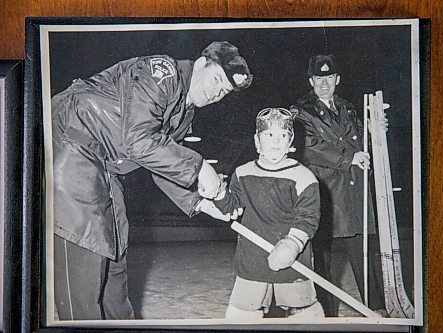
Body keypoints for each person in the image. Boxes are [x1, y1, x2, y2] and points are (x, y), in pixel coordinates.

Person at [51, 41, 253, 320]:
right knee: (88, 243)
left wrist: (200, 203)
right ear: (200, 63)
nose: (217, 91)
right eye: (217, 79)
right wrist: (200, 166)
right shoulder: (162, 73)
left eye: (224, 91)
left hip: (102, 164)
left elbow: (162, 166)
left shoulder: (184, 115)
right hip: (70, 141)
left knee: (116, 249)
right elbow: (139, 141)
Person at [290, 55, 387, 317]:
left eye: (329, 78)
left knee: (364, 255)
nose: (324, 84)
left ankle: (375, 307)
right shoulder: (301, 111)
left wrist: (374, 129)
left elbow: (359, 143)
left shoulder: (349, 108)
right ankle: (326, 313)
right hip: (325, 194)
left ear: (337, 80)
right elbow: (307, 147)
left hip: (354, 193)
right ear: (311, 81)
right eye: (318, 79)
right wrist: (349, 158)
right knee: (323, 260)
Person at [207, 107, 325, 321]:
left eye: (283, 136)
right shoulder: (242, 173)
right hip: (252, 261)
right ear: (257, 141)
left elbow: (308, 218)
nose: (276, 141)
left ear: (291, 143)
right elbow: (232, 208)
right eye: (269, 135)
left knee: (304, 314)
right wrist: (218, 192)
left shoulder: (304, 176)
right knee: (242, 315)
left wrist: (292, 244)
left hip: (292, 260)